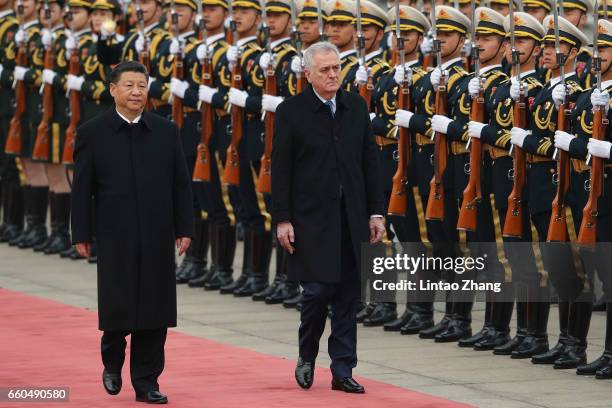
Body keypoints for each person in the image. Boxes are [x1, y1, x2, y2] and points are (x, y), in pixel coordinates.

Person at [70, 61, 194, 404]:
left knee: (155, 310)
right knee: (118, 305)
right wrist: (81, 231)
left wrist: (185, 227)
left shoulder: (165, 131)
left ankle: (147, 382)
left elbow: (180, 184)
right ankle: (112, 361)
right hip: (114, 234)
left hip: (157, 232)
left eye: (142, 85)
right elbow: (82, 189)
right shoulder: (92, 132)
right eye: (129, 85)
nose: (137, 92)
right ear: (113, 90)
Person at [271, 41, 385, 393]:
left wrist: (376, 211)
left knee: (348, 296)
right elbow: (281, 169)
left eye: (337, 67)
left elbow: (369, 163)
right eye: (325, 69)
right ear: (308, 74)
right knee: (317, 292)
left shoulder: (354, 106)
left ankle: (342, 369)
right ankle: (307, 354)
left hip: (351, 218)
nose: (334, 74)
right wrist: (283, 219)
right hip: (311, 220)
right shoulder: (292, 111)